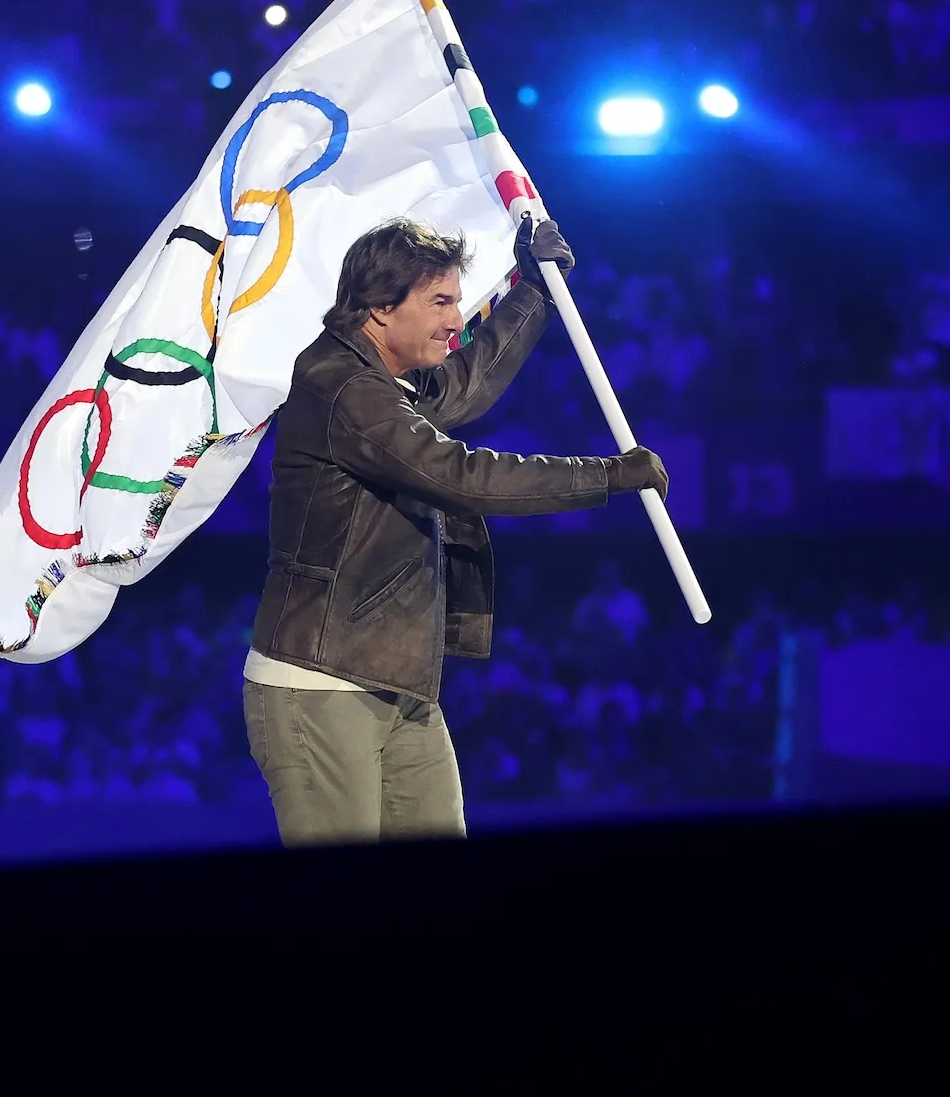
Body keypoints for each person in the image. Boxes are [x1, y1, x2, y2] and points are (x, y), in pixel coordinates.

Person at [244, 216, 668, 846]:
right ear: (381, 309)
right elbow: (460, 477)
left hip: (401, 684)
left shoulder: (386, 380)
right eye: (441, 301)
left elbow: (461, 387)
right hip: (322, 684)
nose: (455, 317)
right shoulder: (340, 386)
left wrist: (534, 290)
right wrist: (604, 476)